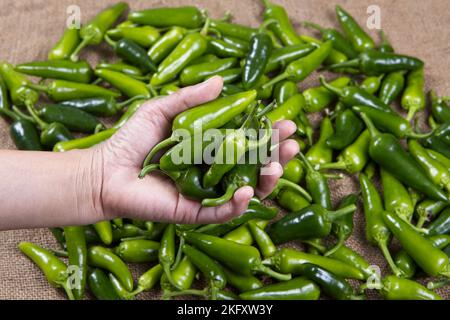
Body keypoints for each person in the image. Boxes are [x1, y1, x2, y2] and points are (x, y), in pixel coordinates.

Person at [0, 76, 298, 230]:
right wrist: (99, 180)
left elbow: (212, 163)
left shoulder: (204, 139)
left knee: (260, 147)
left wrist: (98, 179)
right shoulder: (193, 139)